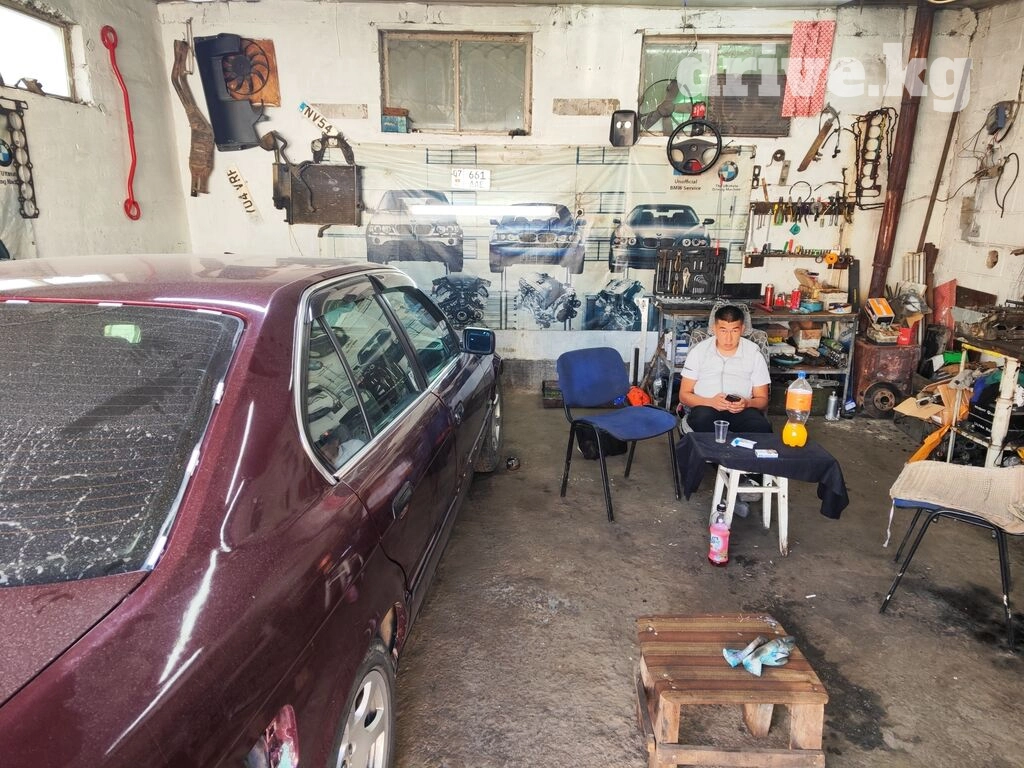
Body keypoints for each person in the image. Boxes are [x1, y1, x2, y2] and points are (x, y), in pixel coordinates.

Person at [677, 304, 773, 433]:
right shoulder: (699, 352)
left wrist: (746, 403)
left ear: (742, 329)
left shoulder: (754, 354)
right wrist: (710, 402)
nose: (728, 338)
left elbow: (762, 400)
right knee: (702, 422)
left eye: (734, 331)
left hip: (742, 411)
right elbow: (684, 395)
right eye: (723, 331)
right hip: (706, 408)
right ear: (714, 329)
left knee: (762, 428)